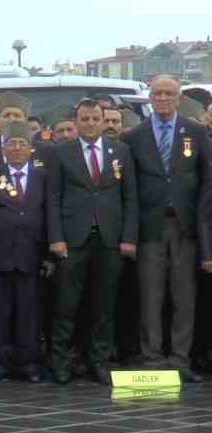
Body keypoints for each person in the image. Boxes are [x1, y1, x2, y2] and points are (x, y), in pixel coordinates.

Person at [47, 99, 138, 384]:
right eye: (84, 119)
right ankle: (61, 361)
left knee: (104, 304)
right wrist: (56, 237)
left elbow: (130, 198)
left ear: (103, 120)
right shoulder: (60, 153)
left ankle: (99, 360)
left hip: (110, 239)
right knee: (67, 303)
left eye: (95, 119)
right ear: (76, 121)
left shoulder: (120, 151)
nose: (90, 124)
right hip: (72, 239)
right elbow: (52, 199)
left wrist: (129, 237)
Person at [124, 77, 205, 380]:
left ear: (179, 98)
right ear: (150, 98)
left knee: (184, 297)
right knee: (151, 295)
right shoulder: (134, 136)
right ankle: (152, 356)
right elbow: (130, 190)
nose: (163, 98)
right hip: (149, 228)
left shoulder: (195, 132)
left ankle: (181, 358)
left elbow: (204, 180)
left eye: (169, 94)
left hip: (184, 226)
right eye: (158, 94)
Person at [0, 120, 46, 383]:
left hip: (31, 255)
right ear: (3, 148)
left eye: (22, 143)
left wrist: (48, 255)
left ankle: (28, 364)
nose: (17, 148)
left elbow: (49, 215)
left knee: (28, 314)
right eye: (11, 144)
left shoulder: (42, 177)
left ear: (31, 149)